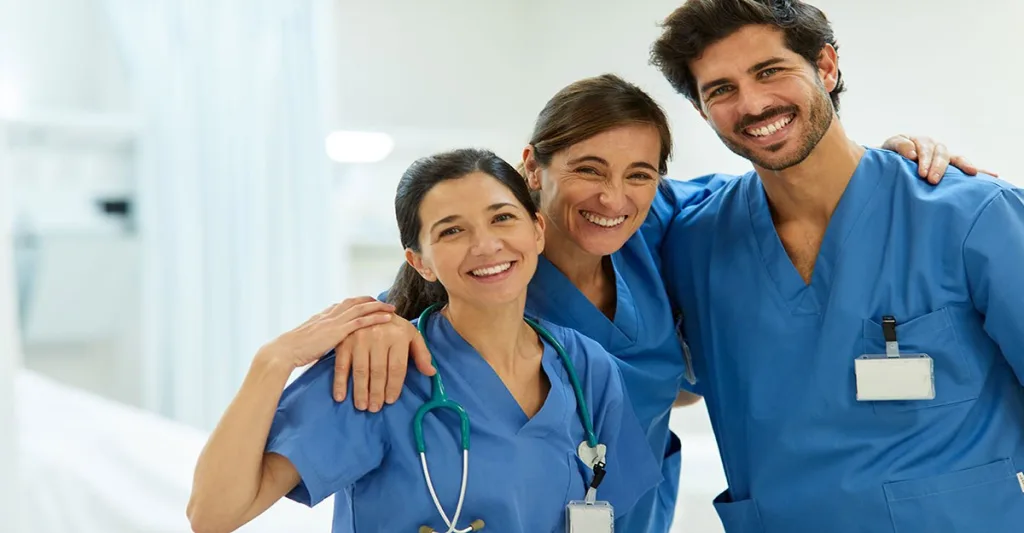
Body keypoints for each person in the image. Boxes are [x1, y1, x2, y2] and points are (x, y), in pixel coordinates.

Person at [323, 79, 989, 533]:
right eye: (588, 168)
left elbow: (796, 187)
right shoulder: (493, 264)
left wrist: (892, 162)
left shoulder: (653, 227)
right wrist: (379, 327)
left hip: (627, 508)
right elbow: (427, 297)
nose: (613, 197)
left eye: (639, 173)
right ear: (534, 166)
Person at [647, 1, 1024, 532]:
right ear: (702, 111)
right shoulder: (691, 241)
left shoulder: (970, 216)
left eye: (770, 71)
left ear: (825, 67)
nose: (753, 103)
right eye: (721, 90)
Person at [186, 148, 663, 533]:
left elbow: (608, 514)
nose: (486, 245)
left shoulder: (585, 367)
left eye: (502, 218)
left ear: (537, 231)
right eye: (452, 230)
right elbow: (213, 515)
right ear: (420, 262)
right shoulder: (378, 369)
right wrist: (273, 360)